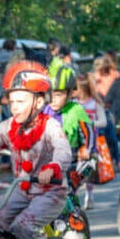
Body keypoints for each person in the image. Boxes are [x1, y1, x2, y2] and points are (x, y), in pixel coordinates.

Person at [0, 60, 72, 239]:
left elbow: (64, 150)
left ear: (39, 101)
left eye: (21, 101)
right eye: (12, 102)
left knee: (23, 226)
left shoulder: (50, 126)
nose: (15, 107)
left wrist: (52, 168)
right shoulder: (9, 126)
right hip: (20, 190)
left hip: (50, 192)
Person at [45, 68, 95, 207]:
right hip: (49, 160)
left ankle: (74, 221)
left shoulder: (76, 110)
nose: (53, 99)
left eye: (58, 94)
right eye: (50, 94)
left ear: (70, 94)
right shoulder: (44, 110)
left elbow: (89, 132)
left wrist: (87, 150)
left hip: (72, 160)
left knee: (67, 193)